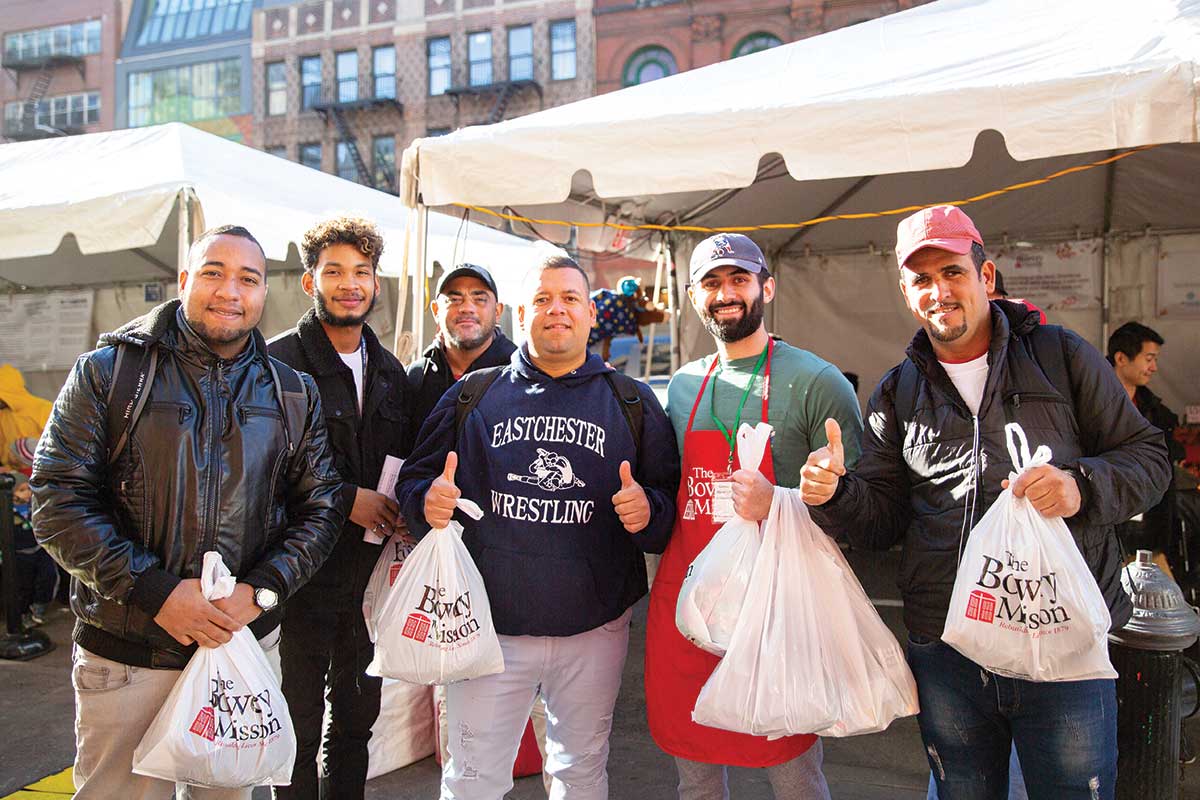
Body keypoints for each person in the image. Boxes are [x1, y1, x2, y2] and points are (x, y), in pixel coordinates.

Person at [799, 204, 1171, 800]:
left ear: (987, 277)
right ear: (905, 292)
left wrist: (1083, 486)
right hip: (949, 651)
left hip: (1061, 642)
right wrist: (835, 494)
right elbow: (882, 520)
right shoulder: (897, 391)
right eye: (921, 279)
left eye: (952, 272)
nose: (938, 291)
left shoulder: (1061, 356)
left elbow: (1149, 458)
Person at [30, 225, 344, 800]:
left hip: (240, 648)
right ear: (183, 281)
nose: (230, 290)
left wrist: (261, 593)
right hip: (127, 656)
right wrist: (157, 593)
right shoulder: (109, 372)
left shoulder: (292, 392)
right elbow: (55, 500)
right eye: (213, 272)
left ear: (263, 294)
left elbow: (322, 509)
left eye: (248, 278)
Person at [396, 250, 680, 800]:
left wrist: (649, 513)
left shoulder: (632, 401)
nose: (557, 310)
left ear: (591, 313)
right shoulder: (473, 395)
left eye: (570, 298)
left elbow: (667, 507)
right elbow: (415, 481)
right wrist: (426, 503)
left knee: (580, 775)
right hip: (487, 630)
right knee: (473, 779)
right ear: (519, 312)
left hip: (594, 631)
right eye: (543, 299)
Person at [644, 232, 863, 800]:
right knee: (693, 774)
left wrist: (796, 497)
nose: (726, 293)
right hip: (688, 600)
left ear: (767, 285)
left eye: (739, 279)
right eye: (712, 283)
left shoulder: (817, 382)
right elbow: (669, 491)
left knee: (791, 771)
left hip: (774, 610)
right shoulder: (682, 385)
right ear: (694, 297)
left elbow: (861, 511)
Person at [267, 217, 412, 800]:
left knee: (355, 723)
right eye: (334, 272)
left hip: (368, 579)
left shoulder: (390, 371)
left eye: (361, 272)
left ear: (376, 284)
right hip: (296, 577)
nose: (349, 284)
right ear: (309, 282)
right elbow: (256, 473)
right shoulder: (274, 363)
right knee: (295, 727)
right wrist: (345, 499)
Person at [1106, 321, 1184, 560]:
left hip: (1146, 531)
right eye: (1148, 358)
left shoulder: (1158, 414)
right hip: (1104, 524)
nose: (1154, 368)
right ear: (1121, 359)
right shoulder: (1090, 404)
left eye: (1155, 359)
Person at [407, 263, 515, 427]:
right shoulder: (415, 378)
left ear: (498, 311)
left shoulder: (519, 376)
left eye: (479, 299)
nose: (467, 308)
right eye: (455, 300)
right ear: (436, 311)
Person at [0, 364, 52, 471]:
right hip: (10, 471)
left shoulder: (44, 410)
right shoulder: (3, 413)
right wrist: (7, 469)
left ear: (10, 393)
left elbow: (58, 449)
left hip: (37, 472)